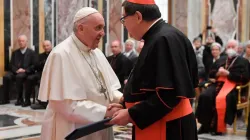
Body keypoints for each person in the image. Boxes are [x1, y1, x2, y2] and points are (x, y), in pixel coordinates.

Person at [108, 0, 198, 140]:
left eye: (124, 18)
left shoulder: (163, 39)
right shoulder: (158, 37)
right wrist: (124, 104)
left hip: (168, 127)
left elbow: (170, 94)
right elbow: (148, 84)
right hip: (159, 121)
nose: (124, 24)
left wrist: (132, 113)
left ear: (138, 16)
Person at [38, 7, 123, 140]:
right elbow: (65, 105)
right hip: (72, 128)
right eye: (98, 28)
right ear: (81, 28)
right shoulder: (61, 54)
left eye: (103, 28)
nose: (103, 33)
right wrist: (105, 111)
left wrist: (121, 99)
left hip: (100, 124)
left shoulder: (97, 53)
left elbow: (106, 89)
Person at [196, 39, 249, 135]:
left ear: (238, 48)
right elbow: (211, 74)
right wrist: (217, 73)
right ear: (226, 48)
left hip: (233, 86)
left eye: (233, 47)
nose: (231, 49)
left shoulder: (244, 61)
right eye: (229, 47)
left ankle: (218, 128)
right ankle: (205, 126)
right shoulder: (221, 59)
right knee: (205, 96)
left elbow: (245, 78)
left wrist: (228, 74)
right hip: (218, 84)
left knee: (223, 98)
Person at [1, 35, 37, 105]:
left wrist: (25, 70)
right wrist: (16, 70)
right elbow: (11, 65)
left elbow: (34, 65)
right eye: (19, 41)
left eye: (23, 41)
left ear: (26, 42)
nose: (21, 42)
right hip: (16, 71)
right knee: (6, 77)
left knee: (19, 77)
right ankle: (5, 99)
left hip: (26, 72)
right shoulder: (15, 52)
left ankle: (19, 99)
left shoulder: (31, 53)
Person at [28, 40, 52, 108]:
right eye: (44, 46)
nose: (46, 47)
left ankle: (44, 102)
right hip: (41, 73)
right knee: (30, 78)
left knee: (42, 82)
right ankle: (28, 100)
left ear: (51, 45)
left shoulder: (54, 54)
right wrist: (42, 63)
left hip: (52, 74)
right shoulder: (40, 55)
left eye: (47, 45)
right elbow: (36, 66)